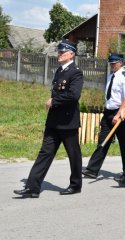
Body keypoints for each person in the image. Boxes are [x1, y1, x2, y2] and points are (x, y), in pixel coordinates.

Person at [14, 39, 83, 197]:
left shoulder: (76, 72)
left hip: (67, 121)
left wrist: (54, 101)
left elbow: (74, 95)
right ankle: (32, 187)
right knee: (45, 153)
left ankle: (76, 185)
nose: (59, 54)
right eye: (58, 52)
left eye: (62, 52)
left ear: (71, 54)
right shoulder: (60, 71)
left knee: (73, 154)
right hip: (53, 120)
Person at [82, 53, 125, 179]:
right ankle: (92, 170)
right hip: (108, 112)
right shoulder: (110, 76)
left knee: (124, 144)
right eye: (110, 63)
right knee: (102, 141)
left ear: (120, 63)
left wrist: (119, 113)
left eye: (114, 63)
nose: (112, 65)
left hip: (121, 113)